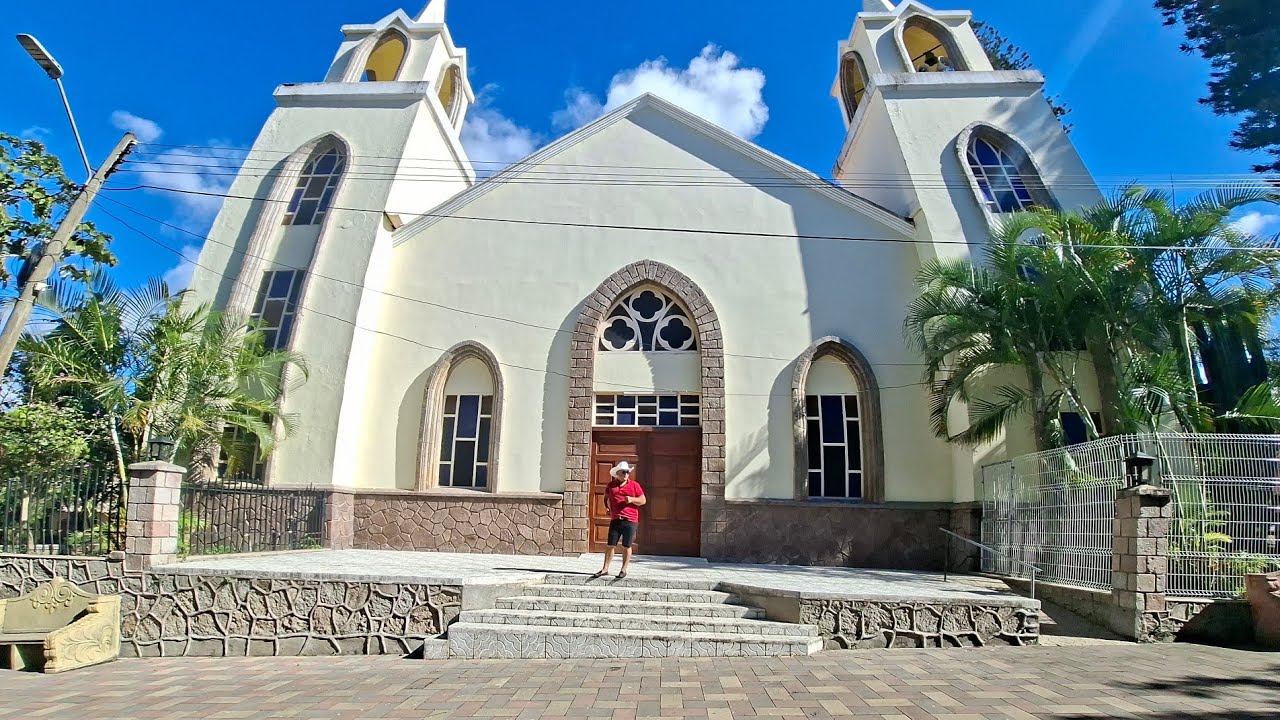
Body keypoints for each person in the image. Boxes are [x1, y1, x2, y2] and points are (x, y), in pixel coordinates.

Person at [592, 461, 646, 579]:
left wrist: (632, 499)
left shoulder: (634, 485)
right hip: (616, 519)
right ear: (618, 474)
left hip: (630, 520)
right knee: (610, 545)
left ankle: (623, 570)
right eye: (624, 472)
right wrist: (606, 507)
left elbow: (643, 500)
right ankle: (605, 569)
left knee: (626, 545)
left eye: (627, 472)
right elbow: (605, 497)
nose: (626, 474)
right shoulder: (611, 485)